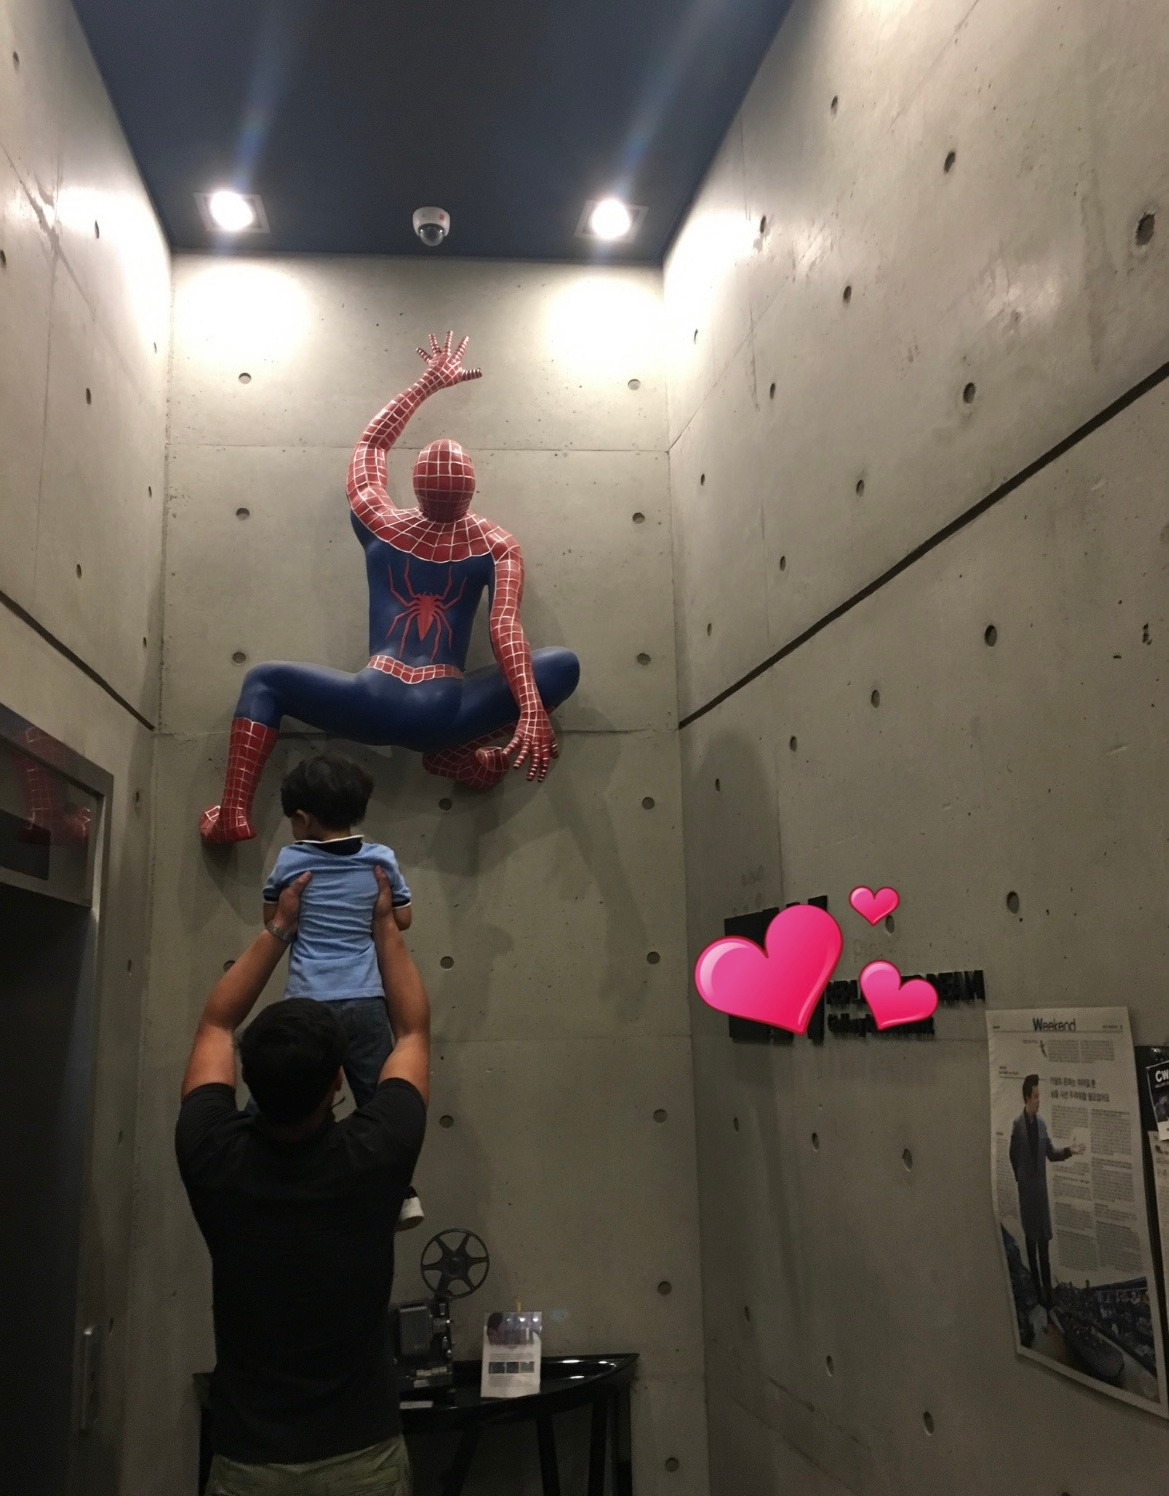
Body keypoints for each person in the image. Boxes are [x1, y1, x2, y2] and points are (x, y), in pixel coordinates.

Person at [200, 330, 580, 844]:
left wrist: (427, 383)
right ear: (471, 489)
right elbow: (504, 628)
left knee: (264, 680)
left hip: (374, 696)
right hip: (443, 709)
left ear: (417, 486)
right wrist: (531, 710)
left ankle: (232, 812)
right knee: (561, 664)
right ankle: (454, 755)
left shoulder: (383, 525)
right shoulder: (495, 543)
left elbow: (371, 445)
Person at [176, 866, 428, 1495]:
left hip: (249, 1463)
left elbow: (215, 1026)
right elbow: (413, 1032)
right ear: (339, 1080)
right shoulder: (376, 1153)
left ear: (247, 1080)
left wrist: (281, 927)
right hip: (363, 1459)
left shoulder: (213, 1154)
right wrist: (382, 926)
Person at [260, 752, 424, 1230]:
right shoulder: (380, 859)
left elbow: (274, 919)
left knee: (287, 1094)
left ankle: (271, 1179)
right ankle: (401, 1194)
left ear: (302, 818)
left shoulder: (292, 860)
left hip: (308, 1002)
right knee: (378, 1095)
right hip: (366, 1001)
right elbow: (402, 918)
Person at [1009, 1074, 1084, 1310]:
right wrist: (1021, 1180)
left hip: (1040, 1198)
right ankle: (1037, 1293)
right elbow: (1012, 1155)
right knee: (1031, 1249)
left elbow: (1051, 1154)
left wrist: (1070, 1151)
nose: (1039, 1100)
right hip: (1027, 1197)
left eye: (1039, 1096)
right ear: (1027, 1098)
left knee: (1044, 1251)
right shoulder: (1017, 1125)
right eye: (1036, 1096)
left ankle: (1048, 1298)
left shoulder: (1041, 1124)